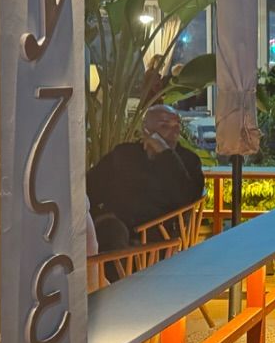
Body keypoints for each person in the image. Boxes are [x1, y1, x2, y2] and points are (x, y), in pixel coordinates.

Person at [86, 104, 204, 250]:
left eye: (177, 126)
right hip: (117, 229)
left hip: (160, 234)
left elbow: (188, 199)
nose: (174, 132)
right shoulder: (124, 154)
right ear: (146, 130)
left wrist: (166, 154)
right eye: (165, 126)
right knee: (112, 232)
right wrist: (101, 215)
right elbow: (89, 189)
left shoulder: (189, 160)